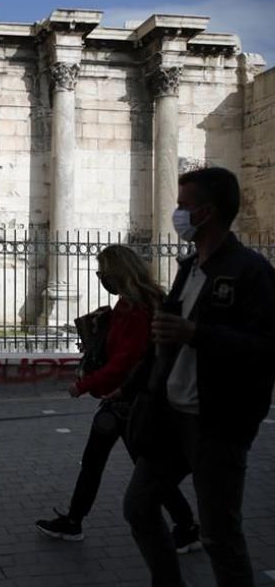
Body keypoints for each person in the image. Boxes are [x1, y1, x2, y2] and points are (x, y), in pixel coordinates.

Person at [123, 167, 275, 587]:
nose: (177, 213)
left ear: (206, 213)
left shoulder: (250, 271)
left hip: (216, 423)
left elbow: (266, 347)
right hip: (170, 416)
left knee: (220, 536)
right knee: (138, 506)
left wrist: (197, 333)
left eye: (183, 206)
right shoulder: (188, 267)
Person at [36, 246, 199, 552]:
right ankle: (75, 520)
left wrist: (84, 385)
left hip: (131, 400)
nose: (100, 278)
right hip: (123, 400)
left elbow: (126, 360)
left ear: (118, 272)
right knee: (103, 462)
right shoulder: (128, 305)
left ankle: (187, 527)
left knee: (138, 469)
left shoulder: (138, 310)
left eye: (103, 272)